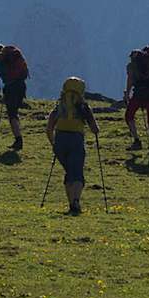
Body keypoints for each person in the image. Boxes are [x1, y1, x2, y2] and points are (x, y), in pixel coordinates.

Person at [46, 77, 100, 215]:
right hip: (76, 140)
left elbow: (49, 128)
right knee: (77, 173)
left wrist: (53, 143)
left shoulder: (59, 107)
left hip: (60, 141)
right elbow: (95, 129)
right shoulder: (84, 107)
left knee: (69, 172)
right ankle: (76, 201)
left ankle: (71, 204)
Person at [123, 46, 149, 154]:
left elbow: (130, 79)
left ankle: (136, 141)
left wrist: (127, 93)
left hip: (139, 94)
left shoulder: (132, 65)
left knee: (129, 115)